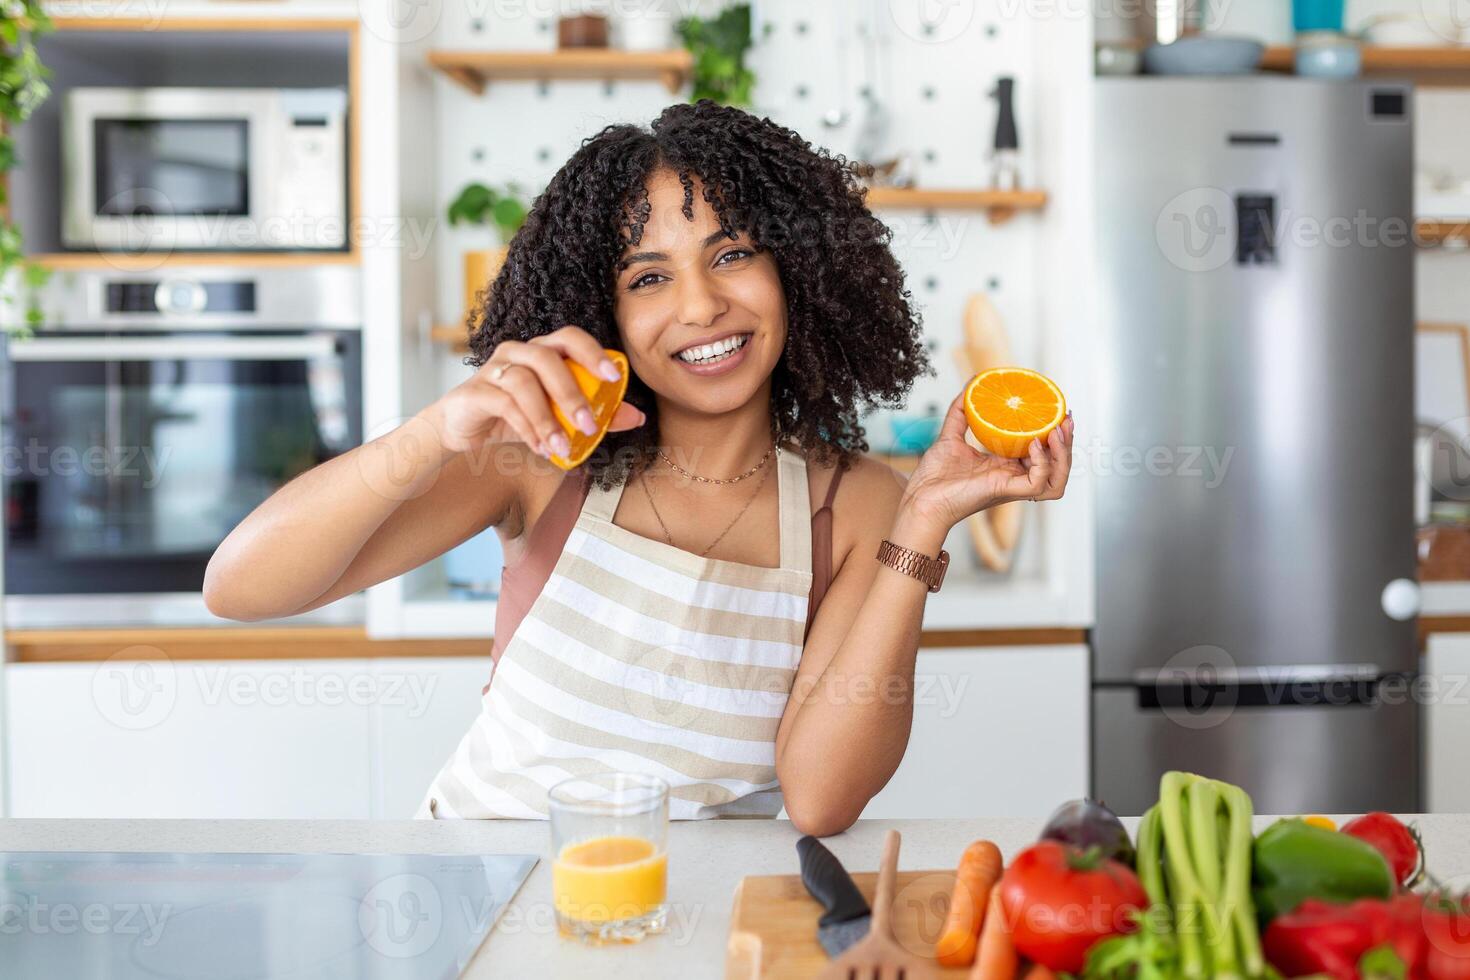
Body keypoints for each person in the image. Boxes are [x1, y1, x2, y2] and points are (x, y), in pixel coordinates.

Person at [205, 100, 1073, 836]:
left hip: (699, 923)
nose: (702, 307)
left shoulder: (859, 503)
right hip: (487, 889)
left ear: (799, 274)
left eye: (732, 255)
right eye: (649, 277)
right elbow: (241, 588)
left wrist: (922, 525)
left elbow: (819, 799)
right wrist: (436, 428)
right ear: (603, 308)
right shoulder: (537, 459)